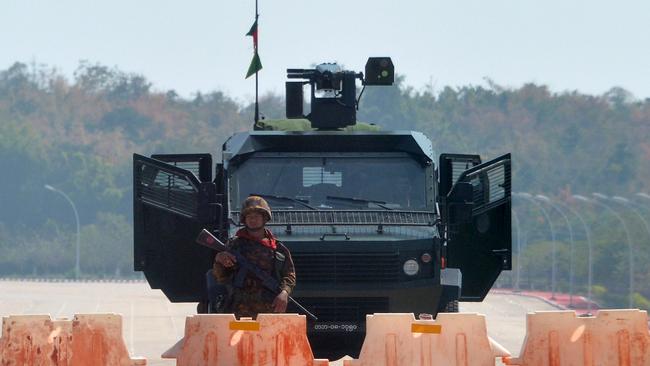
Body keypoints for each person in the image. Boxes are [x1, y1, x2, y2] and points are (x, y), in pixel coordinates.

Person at [211, 195, 296, 318]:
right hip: (238, 309)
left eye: (256, 216)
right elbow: (221, 277)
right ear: (244, 220)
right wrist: (219, 260)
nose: (252, 220)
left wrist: (284, 293)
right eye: (249, 217)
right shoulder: (233, 245)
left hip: (268, 311)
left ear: (265, 218)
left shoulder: (278, 248)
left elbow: (289, 274)